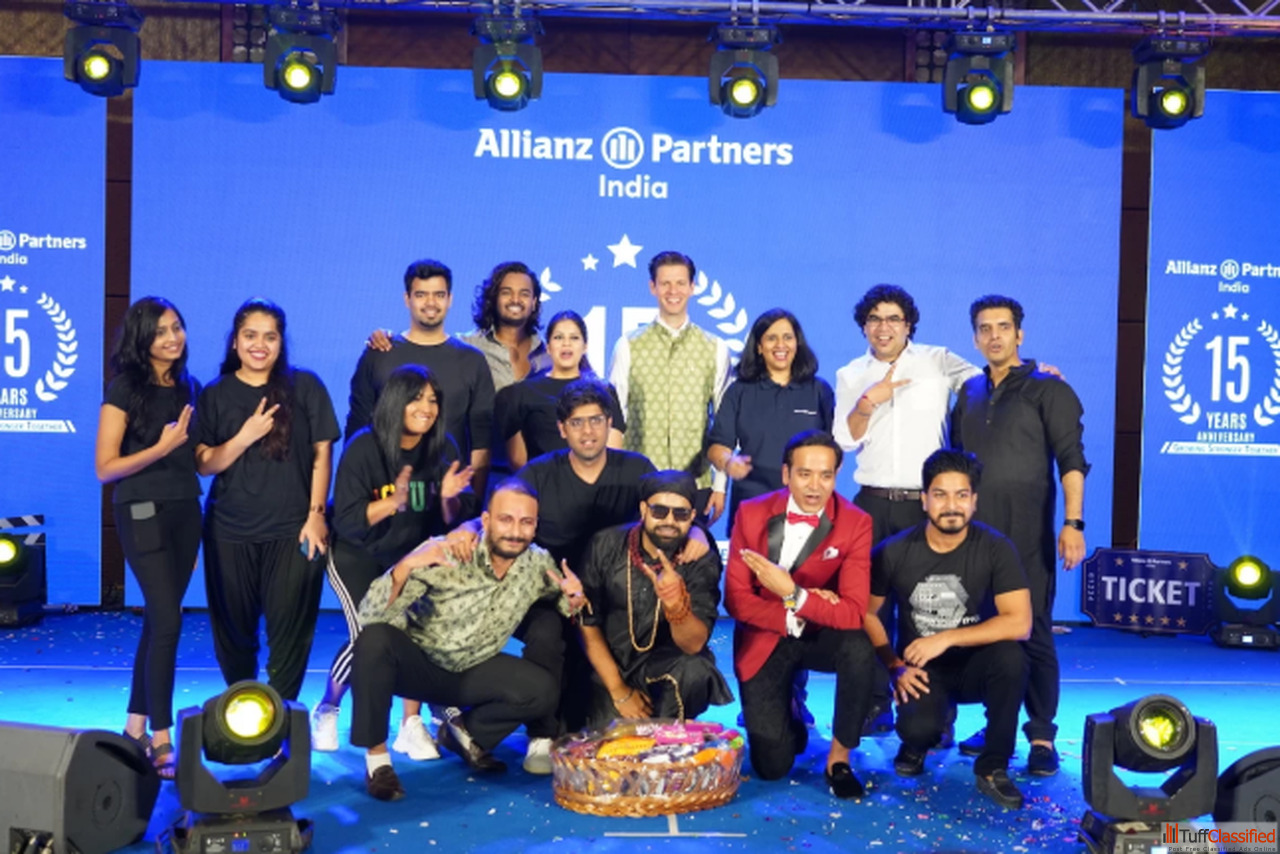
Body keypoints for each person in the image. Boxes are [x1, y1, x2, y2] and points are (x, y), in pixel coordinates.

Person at [349, 479, 586, 800]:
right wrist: (405, 566)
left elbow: (560, 599)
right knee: (374, 639)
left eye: (526, 522)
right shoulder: (445, 551)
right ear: (486, 520)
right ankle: (377, 762)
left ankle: (464, 734)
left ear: (535, 527)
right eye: (506, 520)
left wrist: (574, 598)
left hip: (472, 670)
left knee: (542, 690)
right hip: (420, 665)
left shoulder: (537, 562)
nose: (515, 531)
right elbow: (368, 616)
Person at [831, 285, 981, 734]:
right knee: (869, 607)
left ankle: (935, 710)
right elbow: (844, 439)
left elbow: (989, 379)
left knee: (931, 608)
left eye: (893, 318)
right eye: (874, 319)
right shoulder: (850, 373)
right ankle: (875, 701)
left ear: (909, 325)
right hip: (873, 502)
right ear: (863, 326)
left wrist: (1036, 372)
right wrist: (867, 401)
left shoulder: (936, 360)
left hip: (925, 505)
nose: (884, 327)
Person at [949, 295, 1088, 777]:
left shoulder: (1049, 388)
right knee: (990, 632)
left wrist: (1073, 523)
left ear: (1019, 334)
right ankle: (998, 728)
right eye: (984, 328)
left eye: (1003, 327)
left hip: (1028, 536)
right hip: (975, 539)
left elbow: (1072, 461)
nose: (994, 336)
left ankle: (1042, 736)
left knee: (1035, 631)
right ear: (974, 338)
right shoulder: (968, 391)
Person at [310, 365, 476, 759]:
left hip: (412, 554)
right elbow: (347, 520)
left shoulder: (443, 447)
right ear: (395, 402)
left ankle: (409, 724)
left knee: (414, 634)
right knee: (368, 637)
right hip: (358, 554)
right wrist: (392, 503)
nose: (426, 408)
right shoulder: (365, 447)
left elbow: (450, 521)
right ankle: (328, 707)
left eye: (433, 400)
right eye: (417, 399)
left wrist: (448, 499)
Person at [866, 449, 1031, 809]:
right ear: (924, 500)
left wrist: (947, 637)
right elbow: (867, 613)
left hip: (977, 664)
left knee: (1012, 658)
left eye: (961, 495)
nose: (951, 506)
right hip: (922, 670)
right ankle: (916, 742)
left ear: (974, 501)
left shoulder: (996, 548)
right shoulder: (893, 552)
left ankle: (993, 766)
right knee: (919, 729)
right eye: (940, 495)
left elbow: (1020, 622)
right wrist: (894, 667)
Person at [195, 298, 340, 703]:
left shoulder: (305, 386)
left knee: (291, 634)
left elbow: (322, 452)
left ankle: (282, 719)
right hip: (229, 532)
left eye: (270, 337)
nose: (260, 345)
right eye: (250, 335)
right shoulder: (215, 393)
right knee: (234, 635)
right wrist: (244, 437)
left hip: (293, 530)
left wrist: (316, 514)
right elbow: (204, 464)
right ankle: (245, 712)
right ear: (235, 342)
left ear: (281, 342)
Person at [724, 430, 876, 799]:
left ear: (836, 476)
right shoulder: (751, 513)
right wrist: (796, 609)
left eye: (825, 475)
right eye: (805, 474)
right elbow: (736, 601)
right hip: (767, 633)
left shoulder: (856, 522)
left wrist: (795, 594)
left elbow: (853, 613)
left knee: (858, 646)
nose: (815, 486)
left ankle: (839, 759)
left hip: (821, 632)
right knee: (772, 767)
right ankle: (790, 705)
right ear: (786, 474)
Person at [95, 297, 202, 778]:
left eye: (176, 327)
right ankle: (162, 736)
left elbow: (196, 460)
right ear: (142, 339)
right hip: (141, 513)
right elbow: (105, 467)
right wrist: (160, 447)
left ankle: (134, 726)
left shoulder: (189, 387)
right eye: (160, 331)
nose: (172, 338)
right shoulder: (124, 388)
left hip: (186, 513)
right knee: (168, 621)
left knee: (159, 621)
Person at [577, 470, 733, 727]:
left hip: (666, 667)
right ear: (643, 510)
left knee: (695, 670)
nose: (669, 521)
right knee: (607, 744)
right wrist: (619, 690)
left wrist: (677, 607)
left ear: (692, 516)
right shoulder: (605, 545)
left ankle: (671, 738)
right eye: (659, 511)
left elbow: (694, 645)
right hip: (610, 667)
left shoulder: (700, 559)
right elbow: (587, 624)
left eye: (680, 514)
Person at [347, 259, 495, 492]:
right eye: (421, 295)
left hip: (447, 497)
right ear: (407, 299)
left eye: (439, 295)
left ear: (450, 299)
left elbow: (481, 442)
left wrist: (472, 503)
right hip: (384, 495)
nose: (431, 303)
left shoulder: (472, 361)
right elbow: (357, 427)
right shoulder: (379, 354)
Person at [608, 250, 731, 522]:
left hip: (696, 484)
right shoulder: (628, 345)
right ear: (652, 287)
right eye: (665, 283)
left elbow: (724, 423)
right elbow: (614, 417)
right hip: (638, 483)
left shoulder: (715, 348)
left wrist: (721, 485)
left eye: (680, 283)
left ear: (692, 287)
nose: (673, 291)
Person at [707, 308, 834, 529]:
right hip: (752, 501)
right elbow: (717, 447)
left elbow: (835, 448)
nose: (780, 345)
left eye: (787, 337)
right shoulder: (740, 391)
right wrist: (729, 462)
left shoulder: (819, 391)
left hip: (806, 503)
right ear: (759, 346)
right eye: (771, 338)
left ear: (797, 343)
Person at [495, 310, 625, 470]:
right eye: (558, 337)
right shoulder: (522, 393)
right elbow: (518, 461)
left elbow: (613, 453)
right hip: (540, 482)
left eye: (574, 338)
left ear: (585, 346)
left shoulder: (603, 391)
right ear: (548, 347)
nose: (566, 344)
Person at [457, 260, 551, 393]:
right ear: (493, 299)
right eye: (506, 292)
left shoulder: (548, 354)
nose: (515, 300)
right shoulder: (467, 347)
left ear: (534, 302)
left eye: (524, 294)